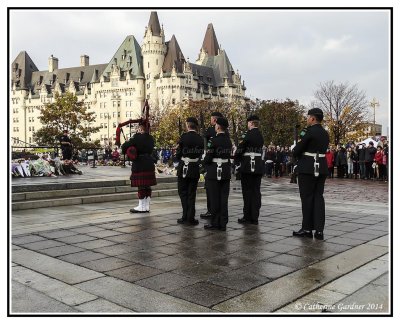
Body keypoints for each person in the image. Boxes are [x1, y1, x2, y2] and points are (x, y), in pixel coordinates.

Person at [292, 108, 329, 240]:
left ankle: (307, 229)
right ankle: (319, 231)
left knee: (307, 198)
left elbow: (297, 150)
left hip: (308, 167)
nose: (307, 119)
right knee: (318, 198)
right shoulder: (325, 133)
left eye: (308, 117)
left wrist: (294, 149)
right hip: (322, 167)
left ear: (313, 118)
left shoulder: (308, 132)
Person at [203, 117, 232, 231]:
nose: (215, 126)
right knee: (224, 198)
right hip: (225, 171)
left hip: (214, 172)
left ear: (218, 126)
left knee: (214, 198)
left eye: (216, 125)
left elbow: (208, 157)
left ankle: (215, 222)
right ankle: (223, 222)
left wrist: (205, 163)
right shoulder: (228, 140)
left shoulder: (213, 140)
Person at [234, 115, 264, 225]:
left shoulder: (248, 135)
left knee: (247, 192)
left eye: (248, 123)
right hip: (258, 166)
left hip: (247, 167)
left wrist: (236, 159)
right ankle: (255, 216)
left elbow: (240, 150)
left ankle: (247, 216)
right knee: (256, 191)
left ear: (251, 123)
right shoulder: (260, 136)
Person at [121, 122, 156, 213]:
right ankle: (147, 206)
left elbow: (124, 147)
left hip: (139, 163)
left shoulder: (136, 137)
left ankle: (141, 206)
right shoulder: (151, 138)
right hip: (149, 162)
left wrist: (129, 144)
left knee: (141, 186)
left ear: (141, 128)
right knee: (147, 186)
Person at [175, 117, 204, 225]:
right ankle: (190, 217)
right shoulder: (200, 138)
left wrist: (177, 159)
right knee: (192, 194)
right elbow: (201, 153)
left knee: (183, 193)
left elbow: (178, 153)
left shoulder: (183, 137)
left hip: (183, 168)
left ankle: (184, 216)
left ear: (188, 125)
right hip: (194, 168)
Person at [200, 111, 223, 219]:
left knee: (210, 189)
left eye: (211, 119)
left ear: (214, 120)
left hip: (211, 162)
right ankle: (219, 211)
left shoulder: (210, 130)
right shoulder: (225, 131)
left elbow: (205, 142)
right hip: (222, 165)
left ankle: (211, 210)